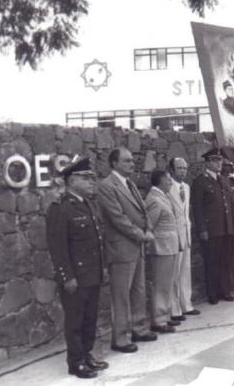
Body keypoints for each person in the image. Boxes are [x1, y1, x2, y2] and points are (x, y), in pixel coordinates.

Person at [45, 156, 109, 379]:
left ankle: (87, 354)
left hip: (92, 273)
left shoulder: (87, 205)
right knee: (75, 320)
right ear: (72, 181)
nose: (92, 182)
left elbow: (96, 241)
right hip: (76, 277)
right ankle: (76, 361)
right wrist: (67, 277)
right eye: (86, 178)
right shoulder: (61, 209)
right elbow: (57, 247)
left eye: (92, 178)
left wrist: (103, 268)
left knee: (90, 318)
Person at [97, 147, 157, 354]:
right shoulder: (106, 186)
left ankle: (139, 328)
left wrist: (148, 228)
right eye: (127, 161)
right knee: (121, 294)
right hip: (122, 248)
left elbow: (142, 210)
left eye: (132, 160)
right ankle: (120, 338)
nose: (132, 164)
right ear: (114, 163)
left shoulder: (129, 184)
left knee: (138, 290)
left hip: (137, 245)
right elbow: (117, 218)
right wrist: (142, 234)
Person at [191, 147, 234, 304]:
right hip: (211, 230)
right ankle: (212, 294)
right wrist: (202, 230)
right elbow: (197, 208)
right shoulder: (200, 182)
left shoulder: (224, 180)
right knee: (211, 262)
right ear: (208, 162)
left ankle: (225, 291)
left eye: (220, 160)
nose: (219, 163)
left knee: (225, 261)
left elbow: (231, 205)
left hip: (226, 228)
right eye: (216, 160)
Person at [145, 170, 181, 333]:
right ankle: (158, 321)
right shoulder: (154, 199)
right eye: (168, 180)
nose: (170, 182)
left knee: (167, 284)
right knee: (160, 284)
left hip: (169, 246)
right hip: (161, 248)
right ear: (159, 181)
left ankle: (165, 316)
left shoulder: (163, 197)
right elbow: (149, 226)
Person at [168, 157, 200, 320]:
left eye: (185, 168)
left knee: (185, 270)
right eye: (179, 168)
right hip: (173, 235)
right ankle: (174, 310)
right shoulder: (167, 188)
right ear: (172, 170)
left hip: (186, 234)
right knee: (173, 272)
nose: (183, 171)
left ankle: (186, 305)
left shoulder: (186, 187)